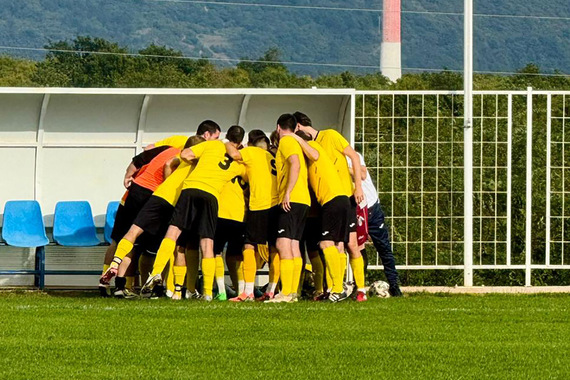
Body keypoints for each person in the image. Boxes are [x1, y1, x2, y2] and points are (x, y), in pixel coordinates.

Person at [141, 125, 246, 301]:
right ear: (241, 142)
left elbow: (185, 154)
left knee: (173, 233)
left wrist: (200, 164)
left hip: (191, 188)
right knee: (207, 244)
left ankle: (156, 272)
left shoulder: (211, 145)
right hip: (211, 194)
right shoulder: (240, 162)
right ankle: (207, 293)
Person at [100, 135, 206, 297]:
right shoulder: (190, 162)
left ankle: (114, 281)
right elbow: (169, 165)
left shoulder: (167, 149)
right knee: (153, 247)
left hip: (132, 194)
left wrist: (128, 176)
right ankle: (153, 287)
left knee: (124, 238)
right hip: (155, 196)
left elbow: (139, 159)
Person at [293, 111, 367, 299]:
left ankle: (359, 289)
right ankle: (335, 287)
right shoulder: (311, 147)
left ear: (298, 127)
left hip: (345, 197)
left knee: (349, 244)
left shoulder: (330, 135)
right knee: (337, 245)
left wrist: (358, 187)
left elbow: (355, 157)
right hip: (327, 201)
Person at [224, 130, 279, 302]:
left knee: (249, 246)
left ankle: (247, 292)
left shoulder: (251, 152)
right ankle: (271, 290)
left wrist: (226, 142)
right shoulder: (272, 157)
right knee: (274, 248)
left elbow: (233, 154)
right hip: (276, 206)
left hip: (260, 205)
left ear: (250, 144)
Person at [266, 114, 311, 303]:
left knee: (283, 244)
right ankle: (292, 292)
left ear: (278, 127)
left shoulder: (286, 142)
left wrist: (287, 192)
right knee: (293, 245)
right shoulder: (296, 141)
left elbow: (295, 163)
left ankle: (285, 292)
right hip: (303, 200)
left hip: (293, 199)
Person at [348, 152, 402, 297]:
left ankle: (395, 286)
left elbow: (363, 174)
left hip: (371, 207)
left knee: (383, 247)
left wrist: (342, 168)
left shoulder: (350, 155)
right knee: (357, 247)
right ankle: (359, 286)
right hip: (354, 209)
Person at [213, 160, 249, 301]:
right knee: (236, 256)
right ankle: (241, 290)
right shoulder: (246, 170)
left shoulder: (221, 168)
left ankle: (221, 291)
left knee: (216, 253)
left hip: (221, 214)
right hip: (241, 216)